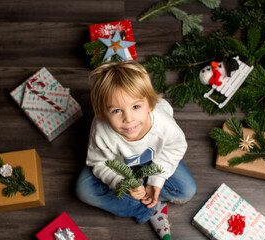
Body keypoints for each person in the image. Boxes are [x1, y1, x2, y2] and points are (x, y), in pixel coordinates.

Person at [76, 61, 196, 240]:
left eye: (136, 107)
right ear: (103, 113)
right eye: (116, 111)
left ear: (150, 104)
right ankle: (150, 208)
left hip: (157, 159)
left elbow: (174, 148)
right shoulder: (101, 131)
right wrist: (121, 182)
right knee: (84, 190)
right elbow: (99, 162)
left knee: (187, 190)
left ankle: (146, 195)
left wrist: (156, 180)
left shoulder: (164, 125)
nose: (129, 119)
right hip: (115, 163)